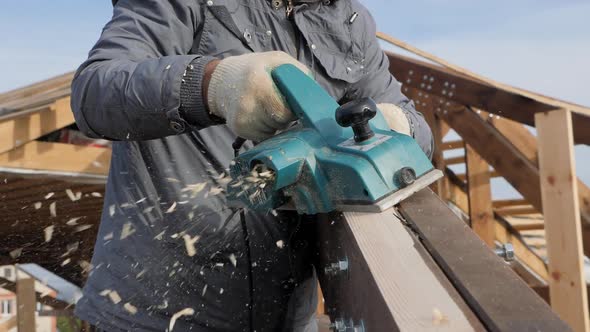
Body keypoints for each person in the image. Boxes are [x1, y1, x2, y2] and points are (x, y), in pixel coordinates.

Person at [71, 0, 433, 330]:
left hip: (288, 319)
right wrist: (212, 85)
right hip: (156, 316)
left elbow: (416, 129)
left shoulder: (348, 18)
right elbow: (94, 92)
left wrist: (395, 126)